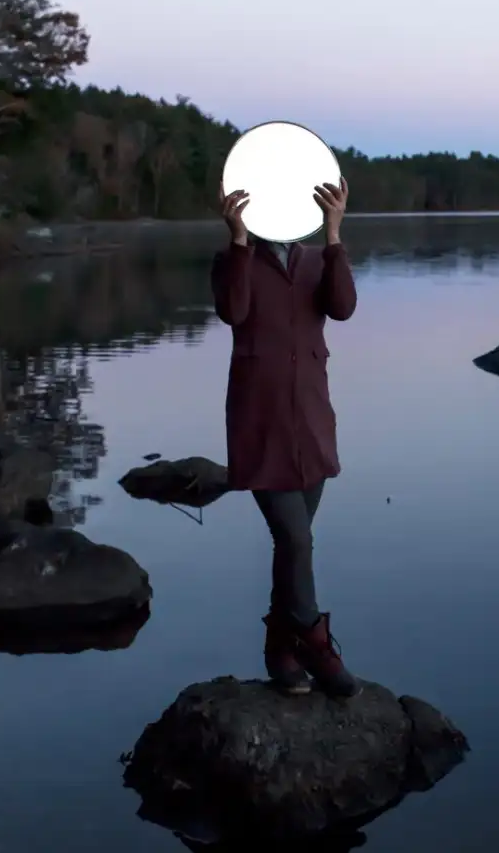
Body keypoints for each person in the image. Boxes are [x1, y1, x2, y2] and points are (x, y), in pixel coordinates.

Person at [210, 177, 360, 699]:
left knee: (291, 544)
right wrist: (237, 240)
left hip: (312, 422)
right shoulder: (234, 260)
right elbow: (233, 312)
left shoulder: (319, 259)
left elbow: (343, 307)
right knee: (295, 539)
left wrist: (335, 235)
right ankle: (316, 645)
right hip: (260, 422)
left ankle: (280, 649)